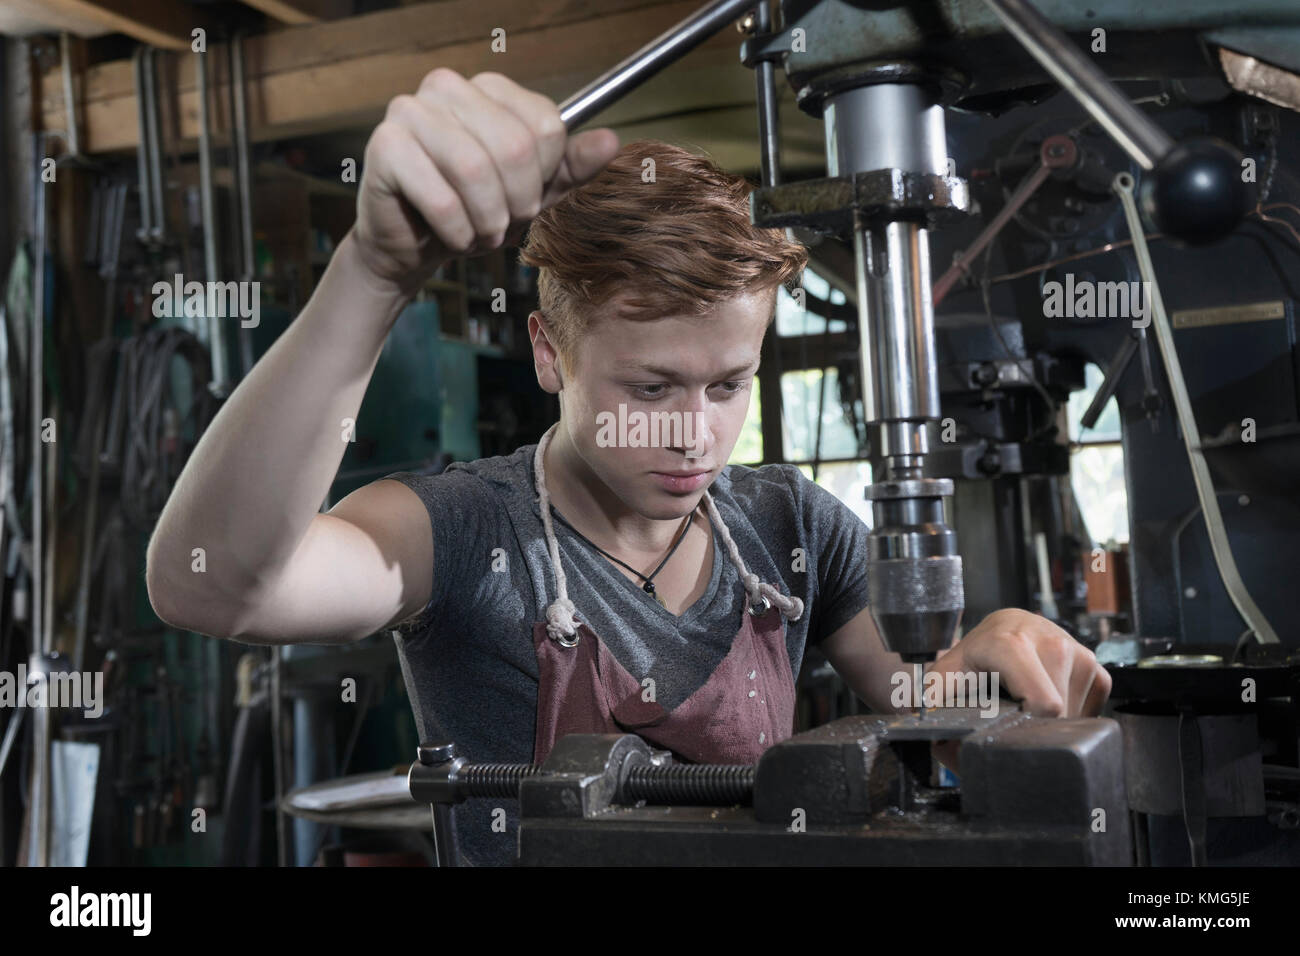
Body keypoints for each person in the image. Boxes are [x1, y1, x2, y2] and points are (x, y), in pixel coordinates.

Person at [147, 68, 1112, 866]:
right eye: (650, 389)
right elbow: (217, 587)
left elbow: (924, 707)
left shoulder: (793, 528)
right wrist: (371, 273)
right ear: (547, 351)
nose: (695, 435)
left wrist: (985, 668)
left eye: (730, 385)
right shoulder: (464, 531)